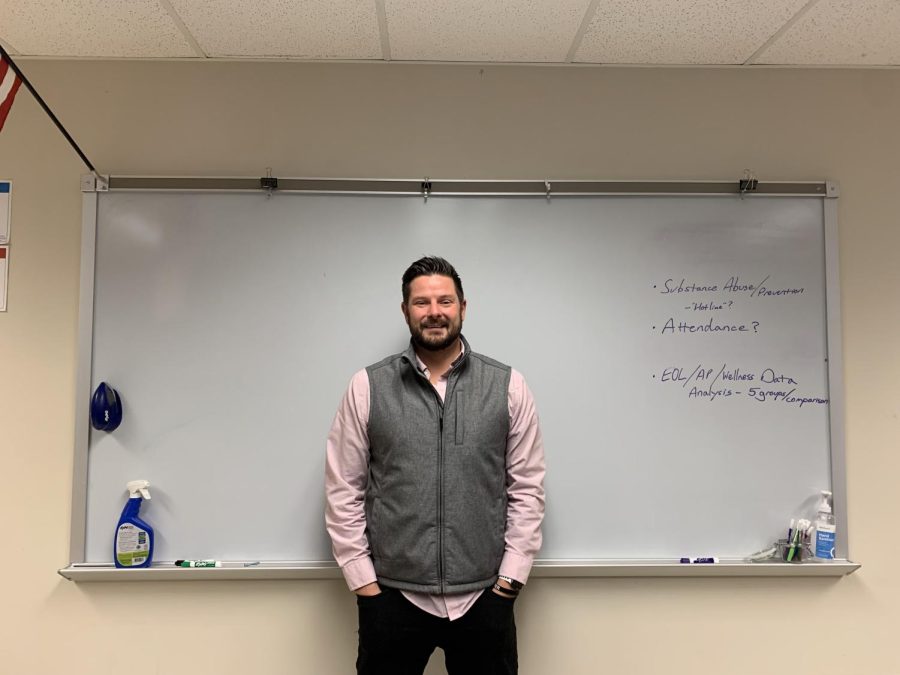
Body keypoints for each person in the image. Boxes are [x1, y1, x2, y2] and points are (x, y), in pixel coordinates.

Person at [325, 256, 546, 675]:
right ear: (406, 310)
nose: (434, 312)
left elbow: (527, 488)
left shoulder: (508, 386)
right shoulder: (367, 387)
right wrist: (366, 586)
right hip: (393, 599)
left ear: (464, 306)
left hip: (484, 598)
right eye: (421, 302)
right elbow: (343, 490)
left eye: (445, 301)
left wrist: (508, 582)